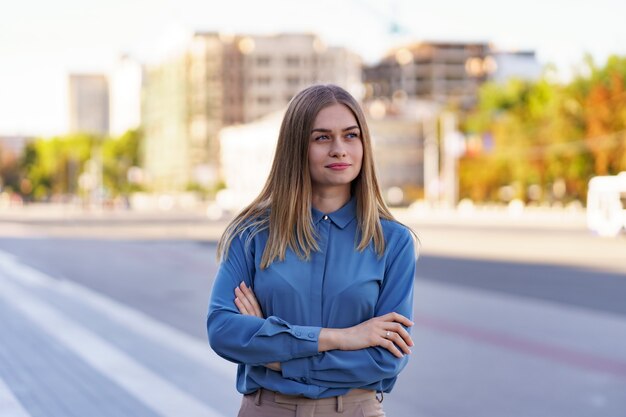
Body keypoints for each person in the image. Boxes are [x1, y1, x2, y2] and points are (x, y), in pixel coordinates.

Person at [207, 84, 417, 416]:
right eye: (322, 138)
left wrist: (274, 355)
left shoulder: (393, 242)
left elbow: (386, 359)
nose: (339, 149)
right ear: (296, 147)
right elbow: (223, 331)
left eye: (351, 136)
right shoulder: (251, 235)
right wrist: (343, 338)